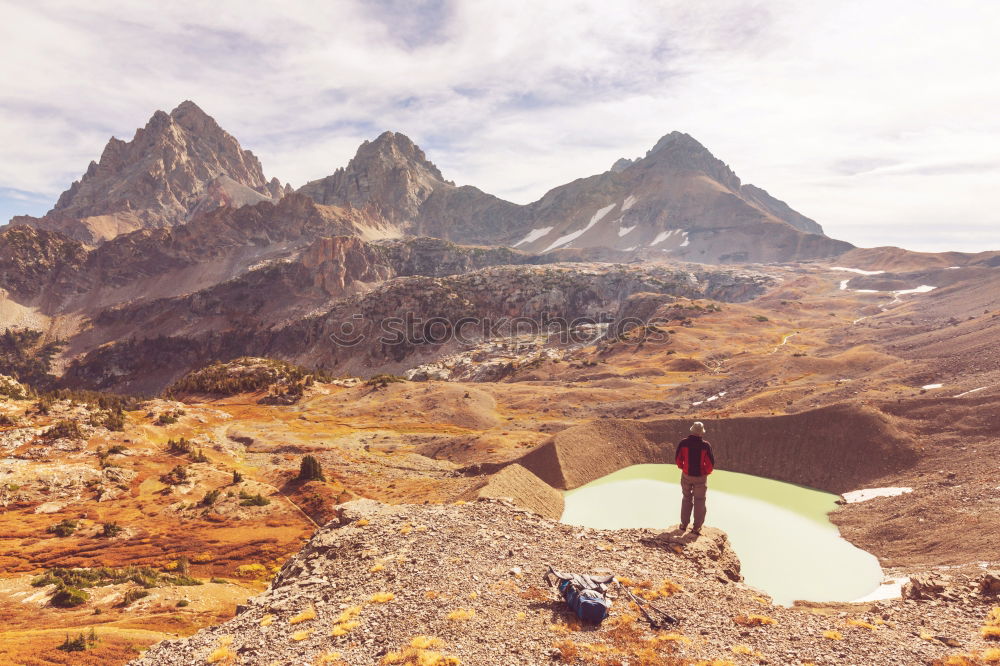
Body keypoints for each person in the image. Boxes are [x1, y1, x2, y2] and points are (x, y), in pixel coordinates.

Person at [674, 421, 715, 535]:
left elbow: (678, 460)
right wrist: (705, 473)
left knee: (686, 498)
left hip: (686, 475)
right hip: (700, 478)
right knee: (699, 500)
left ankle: (683, 525)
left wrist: (684, 468)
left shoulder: (683, 443)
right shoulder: (705, 445)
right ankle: (696, 528)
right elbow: (711, 465)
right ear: (701, 433)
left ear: (691, 430)